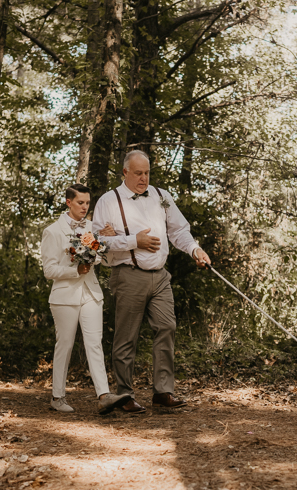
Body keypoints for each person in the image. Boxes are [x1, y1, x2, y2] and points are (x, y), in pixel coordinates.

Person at [93, 150, 211, 413]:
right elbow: (98, 242)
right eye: (138, 173)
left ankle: (163, 391)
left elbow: (179, 230)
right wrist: (135, 240)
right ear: (125, 172)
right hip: (128, 274)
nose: (143, 178)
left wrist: (195, 250)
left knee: (167, 326)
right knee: (127, 337)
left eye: (146, 173)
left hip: (160, 276)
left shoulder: (161, 196)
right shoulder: (108, 201)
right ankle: (124, 394)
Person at [41, 183, 132, 414]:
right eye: (80, 202)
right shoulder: (52, 231)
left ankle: (104, 395)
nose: (85, 207)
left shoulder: (93, 228)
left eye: (88, 203)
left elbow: (100, 258)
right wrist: (75, 271)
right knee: (66, 344)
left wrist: (104, 242)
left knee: (94, 344)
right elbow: (49, 270)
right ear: (68, 202)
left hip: (91, 293)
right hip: (64, 297)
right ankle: (57, 396)